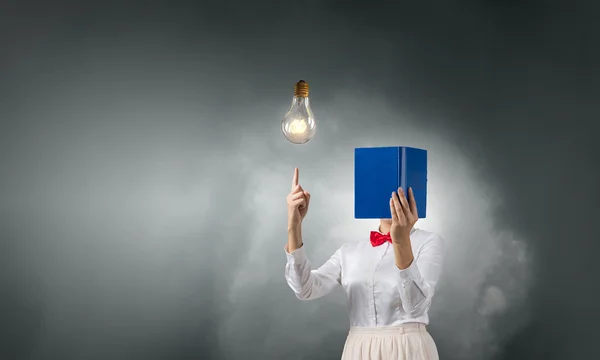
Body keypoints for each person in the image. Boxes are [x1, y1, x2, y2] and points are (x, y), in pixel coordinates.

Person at [284, 168, 444, 360]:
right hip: (358, 349)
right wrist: (294, 226)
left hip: (408, 348)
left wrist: (401, 241)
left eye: (396, 192)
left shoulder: (428, 241)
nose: (391, 200)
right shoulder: (349, 251)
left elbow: (416, 306)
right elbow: (305, 289)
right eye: (383, 190)